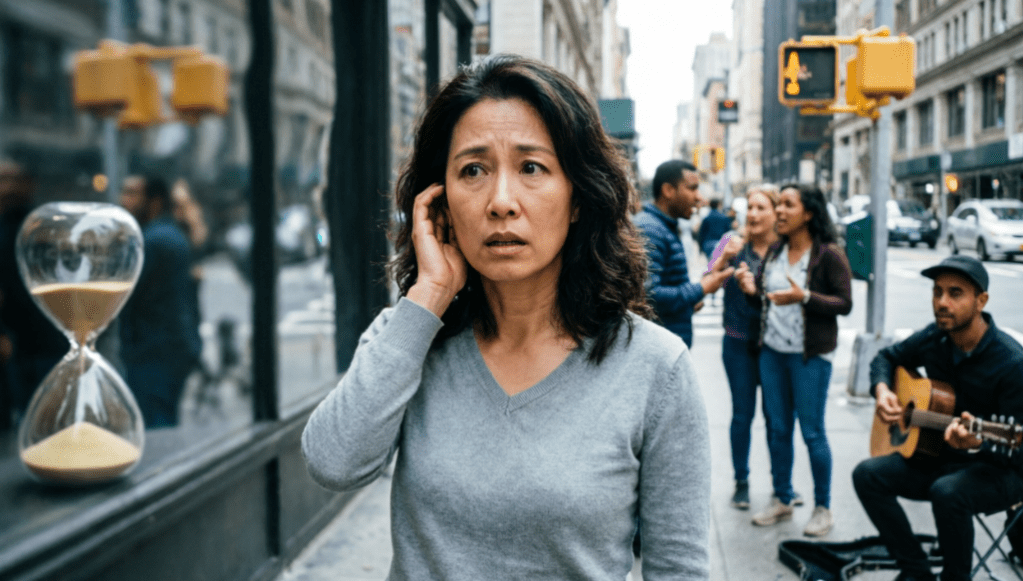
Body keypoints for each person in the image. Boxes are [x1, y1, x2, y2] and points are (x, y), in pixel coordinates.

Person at [301, 55, 711, 580]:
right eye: (472, 170)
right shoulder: (410, 339)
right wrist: (428, 296)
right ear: (439, 202)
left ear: (578, 196)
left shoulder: (655, 367)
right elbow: (333, 464)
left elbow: (679, 569)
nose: (500, 202)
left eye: (531, 168)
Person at [853, 256, 1023, 581]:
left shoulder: (1012, 364)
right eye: (937, 292)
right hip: (938, 453)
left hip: (1001, 471)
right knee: (867, 475)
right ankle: (916, 570)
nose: (942, 303)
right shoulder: (936, 337)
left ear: (981, 300)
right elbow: (886, 357)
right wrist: (882, 391)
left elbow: (1017, 448)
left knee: (948, 492)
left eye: (955, 293)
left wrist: (975, 445)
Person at [736, 183, 852, 537]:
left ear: (809, 213)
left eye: (788, 205)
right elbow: (769, 300)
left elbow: (844, 304)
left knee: (812, 432)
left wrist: (806, 297)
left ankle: (822, 507)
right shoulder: (774, 251)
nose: (780, 211)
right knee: (778, 429)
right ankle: (782, 498)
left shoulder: (828, 255)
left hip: (809, 357)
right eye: (780, 204)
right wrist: (751, 292)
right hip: (772, 353)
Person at [705, 184, 780, 510]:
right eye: (751, 207)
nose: (753, 213)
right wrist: (724, 257)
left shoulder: (784, 250)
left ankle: (782, 484)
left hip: (774, 346)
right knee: (742, 415)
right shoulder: (731, 243)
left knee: (777, 418)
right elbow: (708, 278)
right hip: (737, 342)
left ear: (777, 213)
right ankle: (741, 482)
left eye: (762, 207)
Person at [118, 175, 202, 428]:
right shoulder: (169, 234)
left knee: (156, 428)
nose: (124, 200)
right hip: (170, 348)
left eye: (133, 194)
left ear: (154, 202)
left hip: (154, 352)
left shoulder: (152, 240)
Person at [634, 160, 733, 348]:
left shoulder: (663, 226)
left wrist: (688, 303)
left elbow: (666, 285)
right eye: (692, 188)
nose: (699, 197)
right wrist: (700, 289)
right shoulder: (651, 229)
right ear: (668, 190)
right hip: (659, 348)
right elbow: (648, 295)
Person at [0, 159, 67, 426]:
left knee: (51, 416)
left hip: (49, 339)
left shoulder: (40, 228)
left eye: (12, 180)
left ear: (27, 185)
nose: (7, 187)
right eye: (2, 180)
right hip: (17, 344)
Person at [698, 198, 733, 263]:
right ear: (719, 205)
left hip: (707, 244)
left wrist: (700, 247)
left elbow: (701, 233)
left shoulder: (706, 218)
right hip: (720, 244)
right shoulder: (724, 218)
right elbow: (728, 232)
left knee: (710, 263)